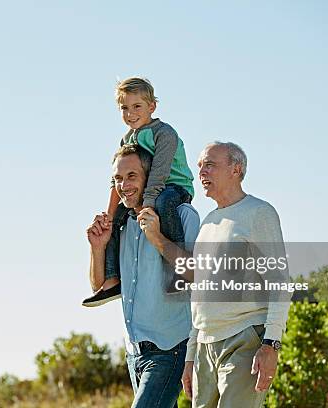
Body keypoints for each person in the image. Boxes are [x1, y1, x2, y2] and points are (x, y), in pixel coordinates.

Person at [86, 144, 199, 407]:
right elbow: (99, 285)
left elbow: (196, 276)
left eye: (132, 176)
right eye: (118, 179)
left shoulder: (182, 215)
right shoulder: (122, 226)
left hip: (171, 350)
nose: (123, 185)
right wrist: (98, 247)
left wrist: (157, 238)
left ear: (150, 177)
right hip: (134, 353)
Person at [181, 142, 291, 407]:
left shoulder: (258, 213)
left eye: (209, 164)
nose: (201, 172)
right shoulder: (207, 222)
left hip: (244, 339)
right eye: (199, 166)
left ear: (236, 169)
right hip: (205, 345)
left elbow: (280, 284)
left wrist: (271, 345)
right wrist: (190, 356)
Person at [82, 77, 195, 306]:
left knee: (165, 202)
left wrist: (147, 205)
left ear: (151, 107)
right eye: (124, 108)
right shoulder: (127, 139)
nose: (130, 113)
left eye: (137, 107)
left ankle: (180, 271)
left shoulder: (164, 134)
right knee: (115, 220)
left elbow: (159, 174)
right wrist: (109, 216)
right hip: (147, 191)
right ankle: (113, 280)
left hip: (173, 187)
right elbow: (116, 180)